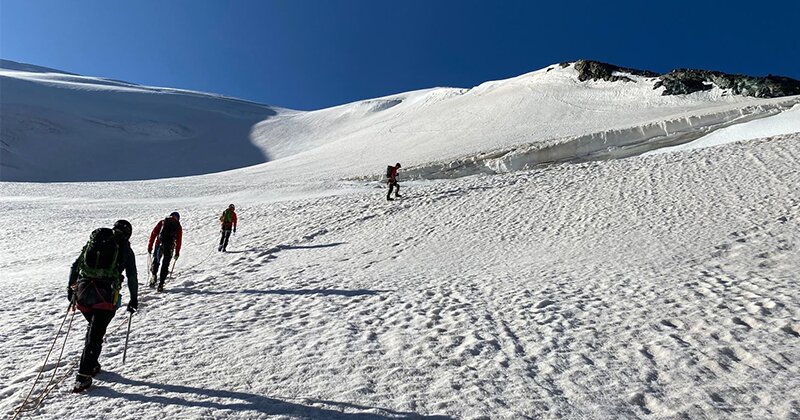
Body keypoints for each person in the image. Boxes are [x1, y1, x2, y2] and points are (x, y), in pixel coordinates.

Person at [68, 220, 138, 392]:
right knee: (95, 335)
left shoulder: (94, 242)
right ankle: (83, 376)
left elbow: (75, 266)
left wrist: (70, 291)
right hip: (105, 297)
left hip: (83, 294)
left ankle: (91, 364)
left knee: (93, 329)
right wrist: (134, 299)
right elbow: (132, 276)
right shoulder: (125, 249)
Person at [147, 212, 182, 292]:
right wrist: (177, 253)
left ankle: (153, 276)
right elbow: (179, 240)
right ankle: (161, 284)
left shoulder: (162, 222)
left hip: (159, 244)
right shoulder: (178, 226)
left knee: (156, 260)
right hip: (169, 247)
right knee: (165, 264)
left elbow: (153, 234)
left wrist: (150, 246)